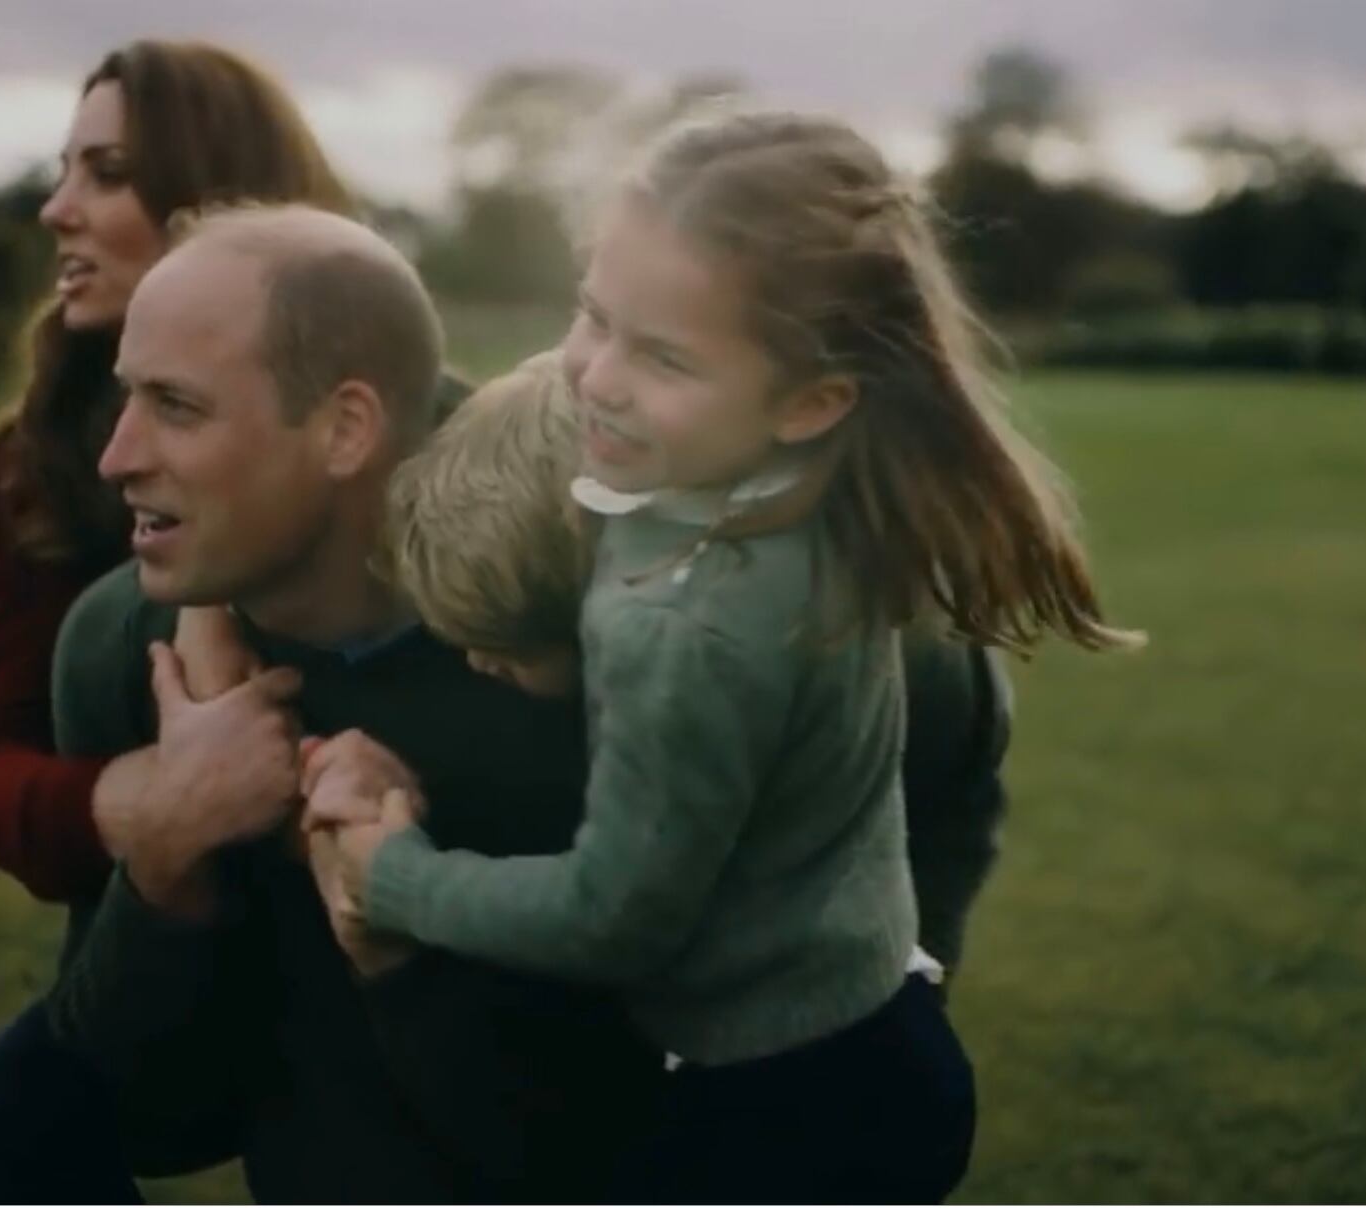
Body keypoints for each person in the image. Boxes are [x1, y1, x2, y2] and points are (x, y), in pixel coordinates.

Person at [311, 110, 1142, 1203]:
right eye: (592, 314)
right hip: (882, 1036)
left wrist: (401, 881)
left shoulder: (681, 628)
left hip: (785, 1114)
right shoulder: (804, 483)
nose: (594, 378)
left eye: (661, 355)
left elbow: (611, 918)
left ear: (810, 401)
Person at [42, 203, 665, 1202]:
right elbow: (147, 1118)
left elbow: (609, 1151)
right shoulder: (123, 648)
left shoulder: (567, 659)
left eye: (176, 405)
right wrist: (168, 850)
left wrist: (399, 927)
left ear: (345, 428)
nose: (116, 455)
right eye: (127, 396)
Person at [0, 39, 358, 1203]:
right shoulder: (32, 474)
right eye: (62, 168)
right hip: (175, 940)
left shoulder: (377, 420)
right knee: (18, 1113)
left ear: (211, 199)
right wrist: (148, 801)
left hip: (375, 918)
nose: (56, 208)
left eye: (107, 172)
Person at [379, 350, 1012, 976]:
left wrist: (394, 877)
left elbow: (617, 913)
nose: (476, 662)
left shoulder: (753, 668)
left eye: (513, 651)